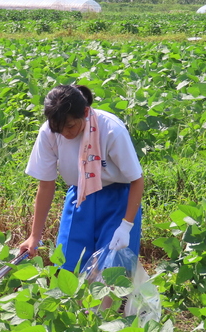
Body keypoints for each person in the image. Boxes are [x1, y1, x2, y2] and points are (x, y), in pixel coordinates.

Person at [19, 84, 143, 272]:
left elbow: (137, 179)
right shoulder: (49, 132)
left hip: (118, 201)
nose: (65, 134)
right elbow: (46, 185)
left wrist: (126, 226)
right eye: (59, 129)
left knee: (111, 273)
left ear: (85, 112)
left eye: (70, 126)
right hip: (79, 199)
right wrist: (34, 236)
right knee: (67, 268)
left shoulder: (111, 129)